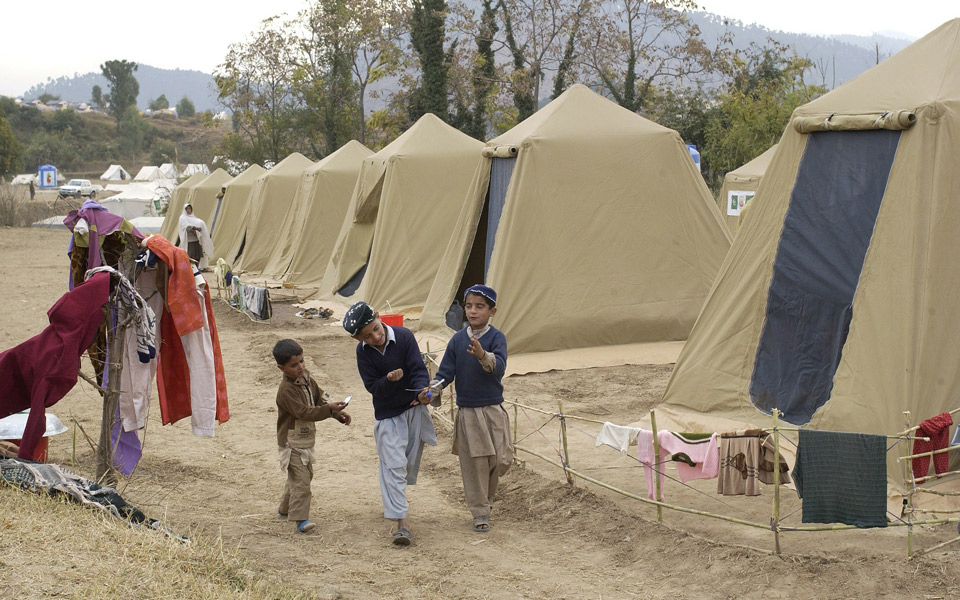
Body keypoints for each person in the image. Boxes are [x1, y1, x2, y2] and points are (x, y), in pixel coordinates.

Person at [344, 301, 436, 546]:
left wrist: (422, 391)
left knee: (406, 465)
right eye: (367, 336)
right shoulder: (363, 353)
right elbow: (372, 387)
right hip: (388, 416)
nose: (375, 337)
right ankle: (401, 522)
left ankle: (395, 500)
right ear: (357, 339)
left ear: (378, 316)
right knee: (394, 465)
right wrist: (388, 380)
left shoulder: (404, 336)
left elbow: (418, 369)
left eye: (375, 329)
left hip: (413, 410)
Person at [422, 284, 511, 533]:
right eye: (469, 306)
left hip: (493, 409)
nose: (472, 311)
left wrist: (483, 355)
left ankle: (487, 498)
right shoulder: (457, 340)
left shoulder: (497, 338)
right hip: (469, 412)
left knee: (500, 460)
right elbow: (445, 373)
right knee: (475, 464)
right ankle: (480, 511)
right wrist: (431, 392)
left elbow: (499, 367)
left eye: (479, 307)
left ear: (492, 311)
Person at [273, 338, 351, 534]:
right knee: (301, 480)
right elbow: (304, 412)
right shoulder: (286, 390)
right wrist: (329, 409)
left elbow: (320, 398)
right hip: (291, 442)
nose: (300, 367)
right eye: (294, 365)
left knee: (302, 476)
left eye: (301, 361)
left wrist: (338, 413)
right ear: (281, 368)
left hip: (305, 439)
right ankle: (301, 519)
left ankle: (284, 508)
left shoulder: (307, 379)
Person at [177, 203, 213, 268]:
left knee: (198, 255)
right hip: (189, 241)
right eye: (187, 209)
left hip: (196, 239)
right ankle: (191, 269)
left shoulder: (193, 218)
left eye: (190, 209)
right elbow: (186, 226)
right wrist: (195, 228)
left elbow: (199, 224)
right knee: (191, 256)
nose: (189, 210)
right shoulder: (182, 218)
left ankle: (196, 268)